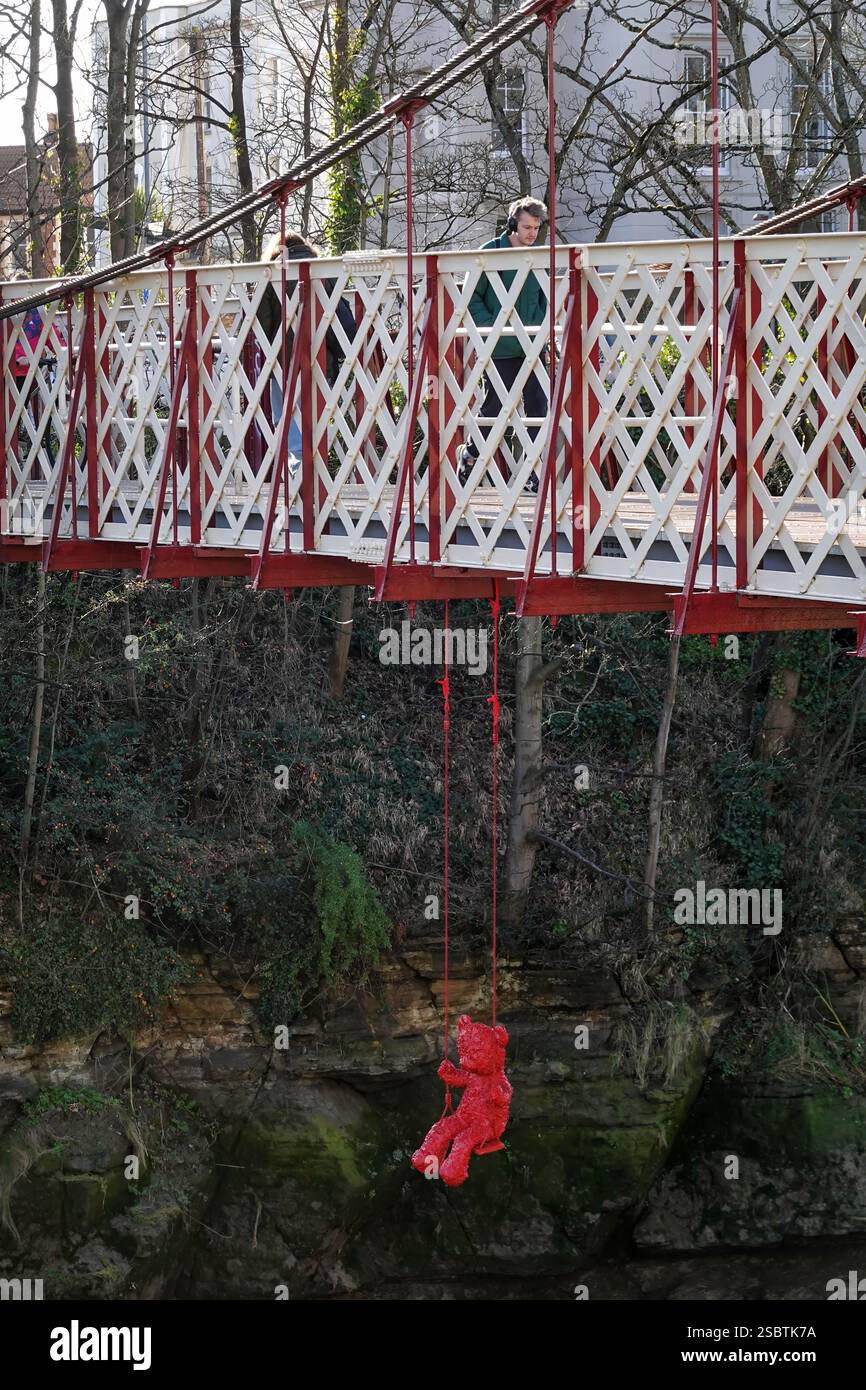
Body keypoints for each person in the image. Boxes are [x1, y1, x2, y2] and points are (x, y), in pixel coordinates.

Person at [459, 196, 549, 493]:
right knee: (495, 407)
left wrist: (542, 329)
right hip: (499, 347)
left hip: (532, 346)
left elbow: (545, 297)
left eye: (536, 228)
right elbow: (470, 297)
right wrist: (490, 328)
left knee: (538, 406)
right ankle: (470, 454)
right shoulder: (489, 254)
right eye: (526, 227)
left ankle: (534, 471)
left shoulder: (538, 256)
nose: (532, 233)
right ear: (512, 224)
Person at [256, 230, 357, 467]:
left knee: (289, 428)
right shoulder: (323, 271)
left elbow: (262, 324)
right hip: (323, 364)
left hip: (285, 366)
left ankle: (299, 490)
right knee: (315, 429)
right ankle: (318, 487)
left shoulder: (272, 274)